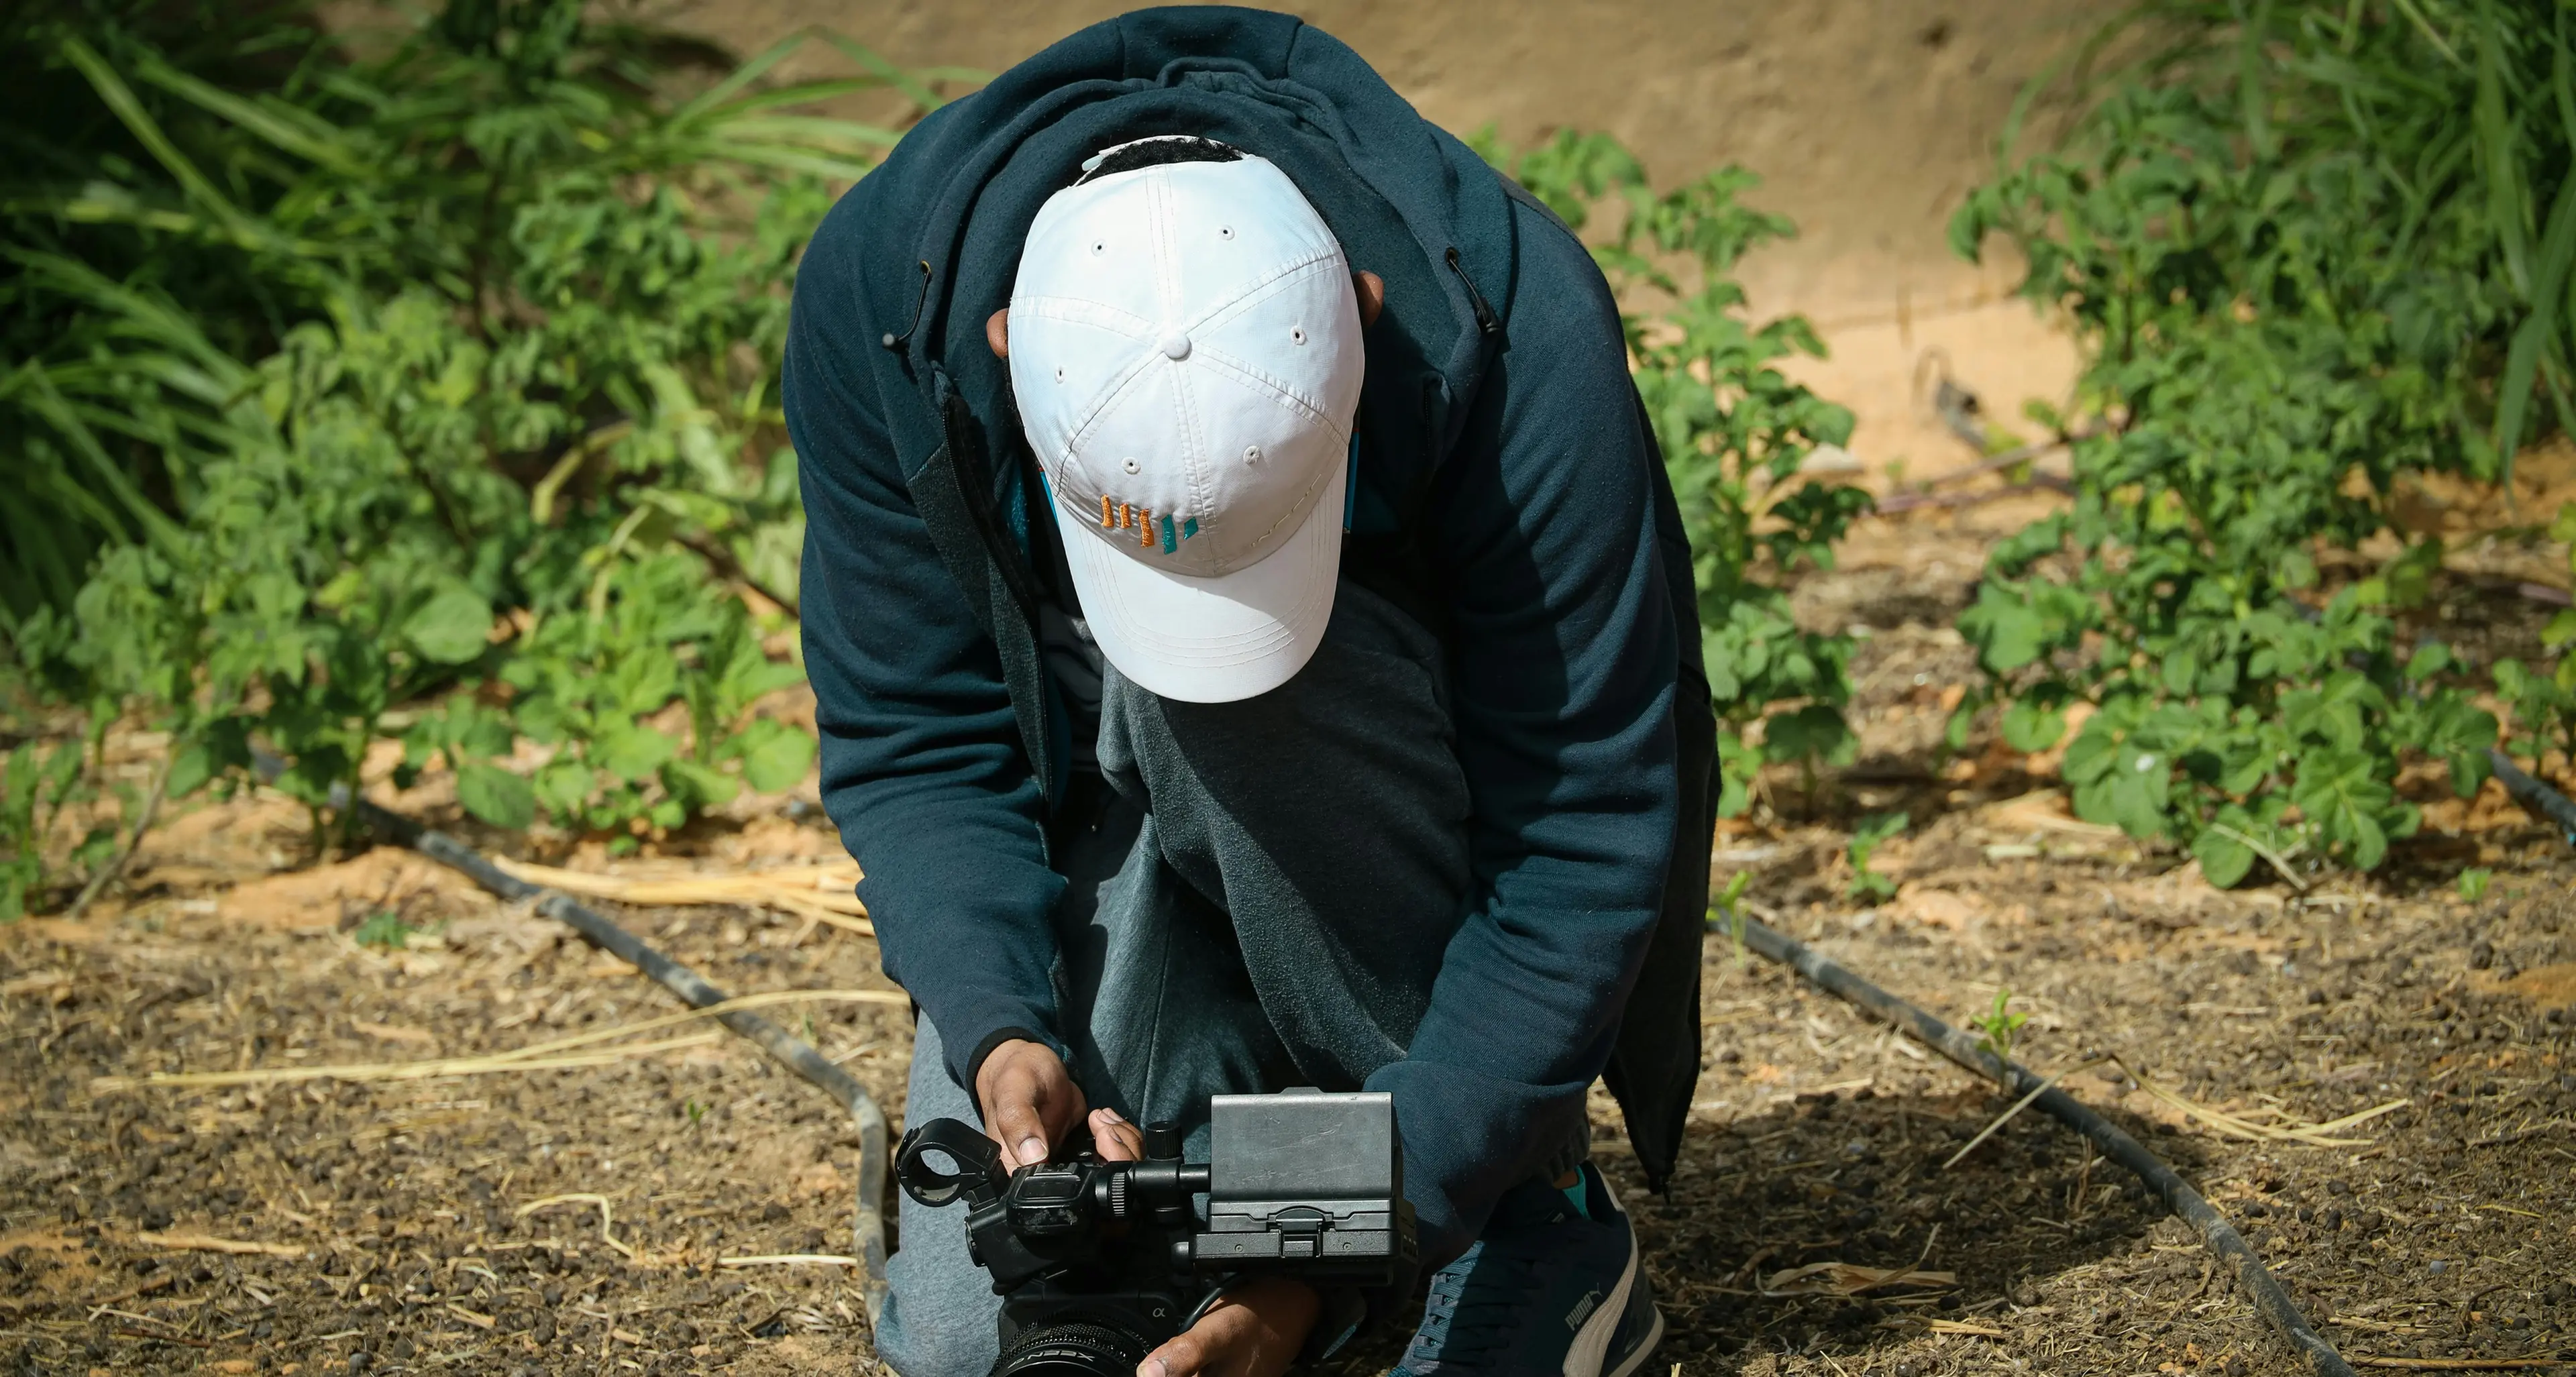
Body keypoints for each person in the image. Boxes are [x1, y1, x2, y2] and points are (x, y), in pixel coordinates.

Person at [784, 9, 1715, 1376]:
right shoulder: (888, 315)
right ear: (1002, 351)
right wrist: (1000, 1028)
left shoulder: (1514, 323)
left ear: (1366, 316)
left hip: (1394, 862)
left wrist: (1324, 1252)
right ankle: (1245, 1159)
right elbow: (917, 739)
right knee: (964, 1344)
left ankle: (1526, 1208)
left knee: (1227, 700)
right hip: (1121, 828)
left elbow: (1582, 830)